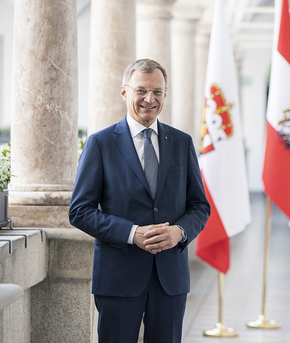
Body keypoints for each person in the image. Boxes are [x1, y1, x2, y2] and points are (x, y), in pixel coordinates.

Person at [69, 58, 211, 343]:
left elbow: (200, 206)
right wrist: (131, 234)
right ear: (125, 92)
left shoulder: (182, 143)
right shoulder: (101, 143)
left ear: (165, 95)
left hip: (170, 278)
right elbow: (80, 211)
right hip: (118, 277)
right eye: (141, 90)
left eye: (158, 91)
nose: (150, 99)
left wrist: (179, 232)